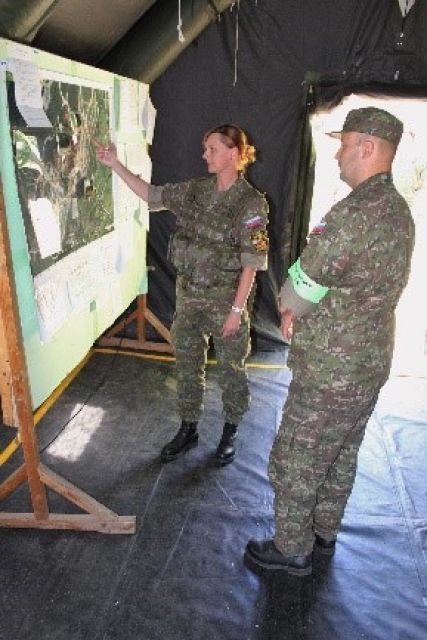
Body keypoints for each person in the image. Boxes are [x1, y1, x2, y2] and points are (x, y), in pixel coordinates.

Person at [245, 107, 415, 576]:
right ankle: (323, 531)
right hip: (369, 361)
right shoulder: (398, 211)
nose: (338, 155)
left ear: (368, 148)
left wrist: (287, 306)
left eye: (345, 145)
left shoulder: (354, 213)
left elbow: (300, 289)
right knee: (340, 451)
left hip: (330, 367)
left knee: (298, 455)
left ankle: (291, 548)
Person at [95, 124, 269, 465]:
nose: (205, 155)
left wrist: (236, 312)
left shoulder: (252, 204)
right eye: (205, 149)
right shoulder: (195, 191)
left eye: (212, 149)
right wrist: (115, 164)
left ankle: (230, 431)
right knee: (188, 367)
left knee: (231, 371)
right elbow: (150, 195)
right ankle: (188, 429)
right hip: (189, 298)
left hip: (226, 302)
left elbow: (253, 262)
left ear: (234, 154)